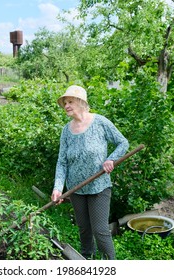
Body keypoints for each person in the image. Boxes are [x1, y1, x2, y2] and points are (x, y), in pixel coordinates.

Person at [51, 85, 129, 260]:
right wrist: (58, 188)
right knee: (84, 228)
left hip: (99, 186)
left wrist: (111, 159)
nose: (66, 106)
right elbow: (62, 162)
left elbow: (122, 143)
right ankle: (87, 260)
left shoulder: (100, 122)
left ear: (81, 102)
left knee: (100, 230)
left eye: (70, 101)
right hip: (76, 189)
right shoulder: (66, 131)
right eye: (65, 103)